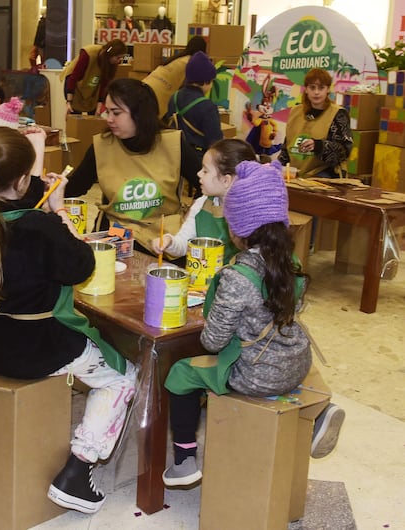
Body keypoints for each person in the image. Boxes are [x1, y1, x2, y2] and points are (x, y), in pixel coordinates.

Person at [0, 126, 137, 515]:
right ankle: (78, 470)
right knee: (123, 377)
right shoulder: (41, 228)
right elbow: (80, 266)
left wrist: (41, 193)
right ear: (22, 180)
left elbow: (15, 209)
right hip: (31, 347)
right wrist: (61, 214)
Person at [162, 159, 345, 487]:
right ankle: (316, 413)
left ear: (237, 228)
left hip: (256, 374)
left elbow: (213, 342)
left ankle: (184, 460)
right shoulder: (293, 262)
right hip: (297, 363)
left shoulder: (237, 276)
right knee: (285, 356)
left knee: (180, 374)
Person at [64, 78, 189, 251]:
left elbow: (206, 183)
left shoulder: (173, 144)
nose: (108, 119)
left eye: (116, 113)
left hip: (163, 237)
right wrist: (51, 186)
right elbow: (77, 185)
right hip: (116, 234)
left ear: (139, 114)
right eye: (107, 112)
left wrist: (191, 218)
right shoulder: (103, 145)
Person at [150, 138, 256, 264]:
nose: (199, 174)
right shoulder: (202, 204)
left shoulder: (251, 212)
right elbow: (184, 243)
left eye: (205, 171)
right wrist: (169, 242)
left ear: (226, 180)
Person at [165, 51, 223, 197]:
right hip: (198, 160)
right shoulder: (207, 106)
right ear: (205, 81)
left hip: (173, 155)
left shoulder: (174, 97)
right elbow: (216, 142)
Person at [278, 68, 352, 178]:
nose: (316, 92)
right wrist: (275, 167)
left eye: (321, 88)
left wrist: (318, 146)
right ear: (306, 89)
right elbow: (287, 146)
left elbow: (344, 151)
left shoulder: (338, 114)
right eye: (312, 87)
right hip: (294, 173)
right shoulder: (295, 112)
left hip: (324, 175)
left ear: (328, 89)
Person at [143, 36, 207, 119]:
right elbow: (189, 90)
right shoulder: (192, 63)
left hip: (144, 85)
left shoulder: (178, 58)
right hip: (157, 94)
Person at [62, 39, 128, 115]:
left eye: (121, 58)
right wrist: (69, 102)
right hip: (75, 85)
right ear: (110, 55)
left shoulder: (111, 65)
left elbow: (104, 85)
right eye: (118, 57)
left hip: (91, 87)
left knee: (94, 116)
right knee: (74, 115)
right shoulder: (88, 54)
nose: (119, 61)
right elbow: (73, 77)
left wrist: (99, 107)